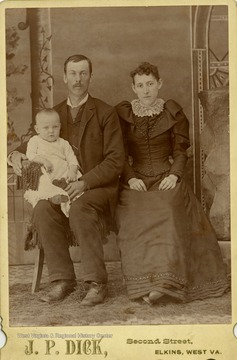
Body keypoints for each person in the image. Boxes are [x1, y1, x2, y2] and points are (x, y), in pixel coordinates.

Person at [9, 54, 125, 305]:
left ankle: (96, 282)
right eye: (72, 73)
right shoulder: (55, 114)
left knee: (81, 207)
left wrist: (85, 182)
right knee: (42, 208)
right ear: (64, 77)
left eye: (83, 73)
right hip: (60, 186)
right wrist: (14, 155)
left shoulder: (106, 112)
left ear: (90, 77)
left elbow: (116, 160)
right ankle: (62, 279)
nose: (78, 79)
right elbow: (32, 143)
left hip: (97, 187)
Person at [115, 62, 229, 304]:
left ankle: (166, 284)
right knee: (134, 213)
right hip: (136, 180)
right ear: (133, 88)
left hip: (167, 176)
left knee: (168, 211)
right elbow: (119, 153)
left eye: (150, 84)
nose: (145, 90)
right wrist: (131, 177)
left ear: (159, 84)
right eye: (140, 85)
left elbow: (180, 151)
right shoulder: (124, 114)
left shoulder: (172, 112)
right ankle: (145, 283)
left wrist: (174, 175)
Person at [24, 108, 83, 217]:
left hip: (62, 174)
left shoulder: (63, 143)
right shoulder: (35, 141)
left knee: (73, 187)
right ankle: (53, 196)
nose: (51, 131)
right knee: (41, 180)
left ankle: (69, 203)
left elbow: (72, 159)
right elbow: (30, 155)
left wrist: (72, 171)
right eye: (46, 128)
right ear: (37, 129)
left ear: (60, 126)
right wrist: (43, 161)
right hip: (46, 172)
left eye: (55, 127)